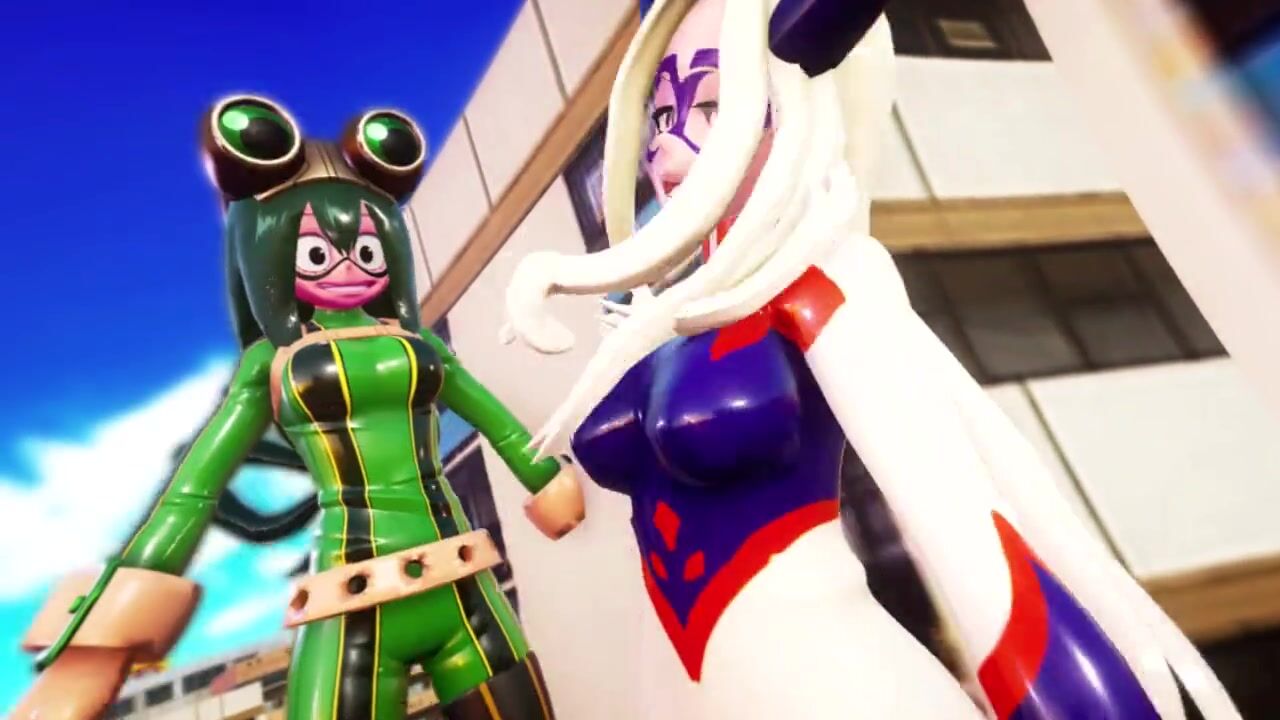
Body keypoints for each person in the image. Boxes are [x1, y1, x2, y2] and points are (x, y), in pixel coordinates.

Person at [503, 1, 1241, 718]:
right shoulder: (666, 324)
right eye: (663, 116)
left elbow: (957, 521)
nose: (665, 148)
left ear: (791, 108)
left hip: (830, 685)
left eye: (712, 107)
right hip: (675, 688)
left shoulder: (822, 287)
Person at [14, 96, 583, 720]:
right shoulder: (273, 363)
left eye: (366, 249)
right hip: (354, 604)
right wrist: (101, 640)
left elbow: (495, 420)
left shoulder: (417, 345)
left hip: (465, 587)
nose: (345, 266)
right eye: (316, 253)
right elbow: (194, 487)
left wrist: (545, 477)